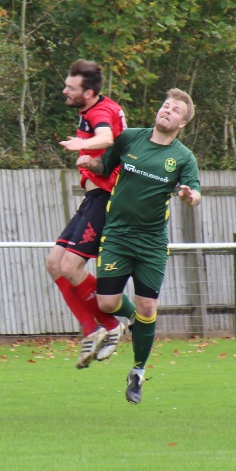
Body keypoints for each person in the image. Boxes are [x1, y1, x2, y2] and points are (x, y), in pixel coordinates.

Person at [78, 89, 202, 403]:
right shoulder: (129, 138)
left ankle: (137, 372)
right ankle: (134, 319)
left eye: (175, 110)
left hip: (151, 243)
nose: (167, 110)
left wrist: (189, 196)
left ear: (182, 123)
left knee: (149, 307)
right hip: (117, 235)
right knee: (107, 303)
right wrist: (88, 160)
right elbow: (103, 167)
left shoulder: (183, 157)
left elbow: (196, 194)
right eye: (165, 105)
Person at [47, 59, 133, 369]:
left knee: (70, 266)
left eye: (71, 88)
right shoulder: (92, 109)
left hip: (108, 199)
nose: (65, 91)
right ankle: (92, 328)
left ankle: (116, 323)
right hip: (93, 197)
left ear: (89, 93)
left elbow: (106, 137)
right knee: (54, 264)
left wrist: (80, 145)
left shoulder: (100, 112)